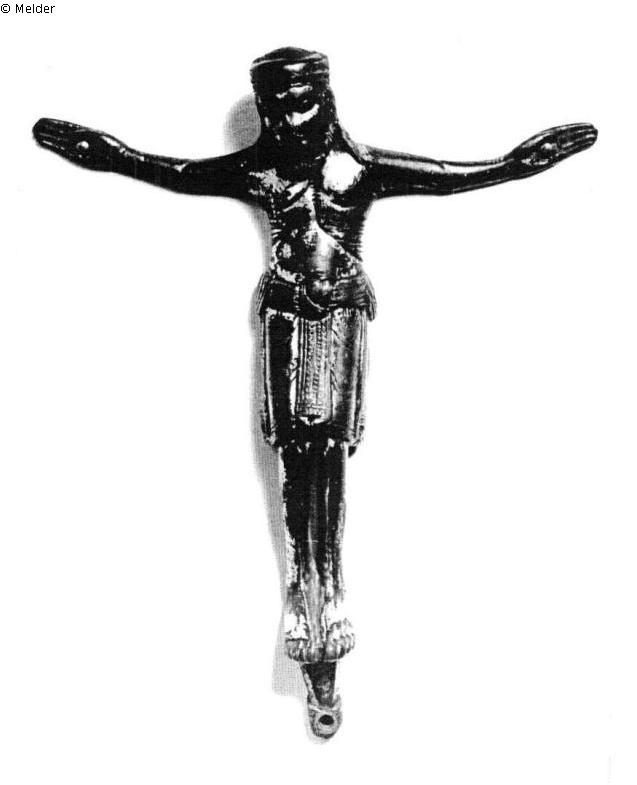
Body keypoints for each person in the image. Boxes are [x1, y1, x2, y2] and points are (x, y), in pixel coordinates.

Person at [33, 47, 597, 728]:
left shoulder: (362, 168)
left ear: (325, 100)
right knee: (292, 453)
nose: (289, 121)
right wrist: (104, 152)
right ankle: (306, 598)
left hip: (340, 314)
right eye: (275, 110)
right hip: (284, 311)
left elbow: (455, 178)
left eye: (301, 105)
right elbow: (170, 171)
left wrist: (518, 163)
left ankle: (325, 596)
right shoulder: (258, 169)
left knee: (328, 451)